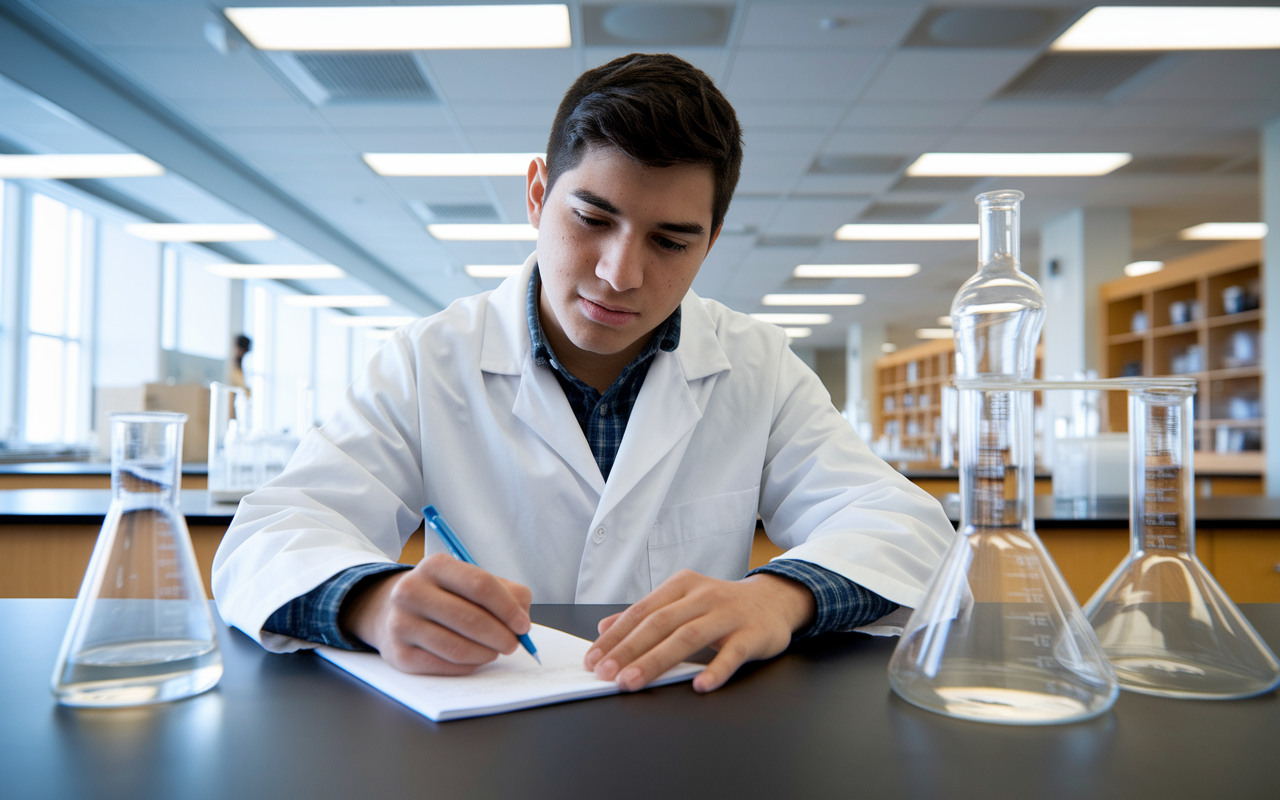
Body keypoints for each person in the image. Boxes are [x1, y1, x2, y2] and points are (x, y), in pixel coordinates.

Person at [213, 54, 953, 694]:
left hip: (687, 732)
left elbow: (906, 531)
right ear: (538, 192)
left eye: (670, 240)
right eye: (593, 218)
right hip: (483, 736)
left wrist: (782, 597)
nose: (619, 273)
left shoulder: (757, 367)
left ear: (712, 241)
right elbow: (270, 534)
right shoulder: (424, 361)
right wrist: (370, 603)